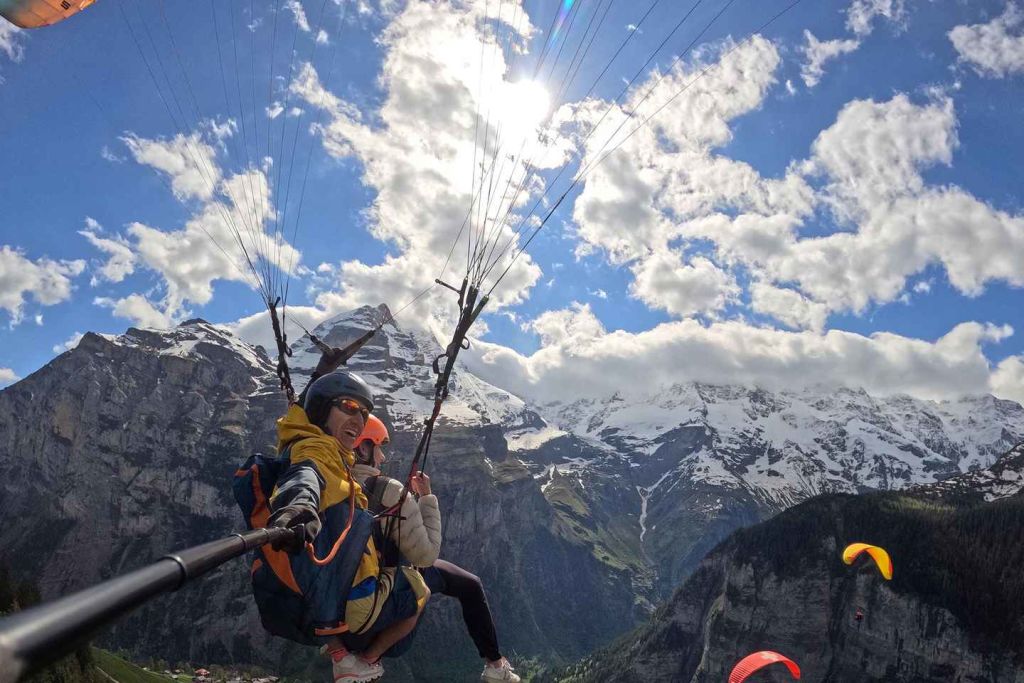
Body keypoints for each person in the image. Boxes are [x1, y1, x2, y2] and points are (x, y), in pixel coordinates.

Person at [268, 370, 435, 683]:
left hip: (319, 595)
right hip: (353, 602)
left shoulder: (320, 448)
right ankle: (367, 660)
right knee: (420, 587)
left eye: (364, 412)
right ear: (321, 409)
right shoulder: (316, 451)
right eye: (349, 406)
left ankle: (339, 654)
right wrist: (298, 507)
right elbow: (305, 475)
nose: (358, 419)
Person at [354, 416, 520, 683]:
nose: (383, 457)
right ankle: (495, 666)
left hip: (346, 584)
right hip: (385, 580)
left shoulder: (330, 482)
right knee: (470, 585)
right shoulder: (387, 490)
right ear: (362, 448)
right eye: (378, 448)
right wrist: (426, 497)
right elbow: (426, 555)